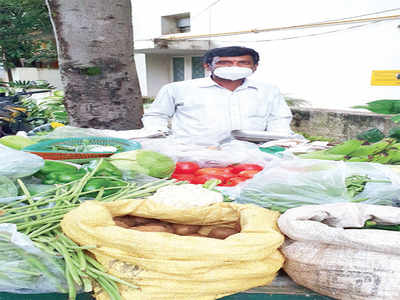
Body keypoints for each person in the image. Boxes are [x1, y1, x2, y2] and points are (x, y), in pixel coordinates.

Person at [142, 46, 294, 143]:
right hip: (193, 154)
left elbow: (279, 120)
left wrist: (279, 142)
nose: (234, 67)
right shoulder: (177, 89)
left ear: (254, 67)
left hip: (253, 155)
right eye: (225, 62)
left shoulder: (268, 90)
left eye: (243, 62)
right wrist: (160, 138)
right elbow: (155, 116)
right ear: (208, 66)